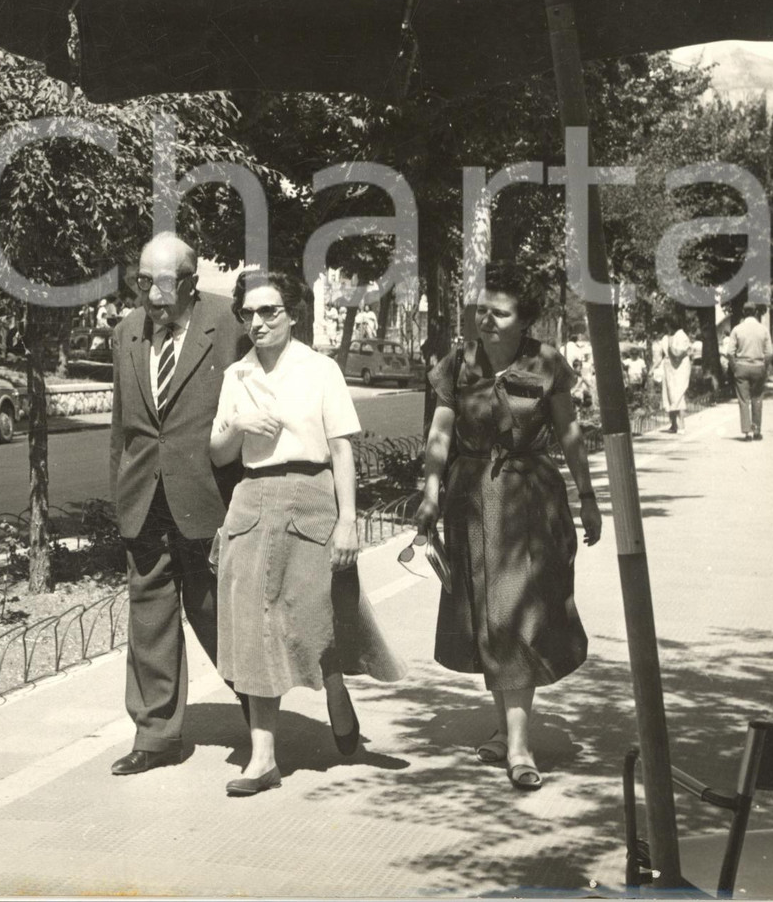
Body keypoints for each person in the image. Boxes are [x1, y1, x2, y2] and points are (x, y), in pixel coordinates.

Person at [210, 269, 404, 797]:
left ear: (292, 314)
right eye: (248, 313)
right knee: (254, 625)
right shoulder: (237, 376)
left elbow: (341, 449)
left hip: (311, 498)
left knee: (315, 614)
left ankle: (333, 685)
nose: (257, 322)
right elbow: (219, 454)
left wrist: (348, 520)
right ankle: (263, 760)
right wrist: (238, 427)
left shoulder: (321, 370)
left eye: (268, 311)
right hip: (253, 499)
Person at [415, 262, 602, 792]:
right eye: (482, 311)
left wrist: (588, 498)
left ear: (524, 320)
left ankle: (518, 744)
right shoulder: (458, 364)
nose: (486, 320)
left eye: (498, 313)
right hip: (470, 500)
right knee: (487, 613)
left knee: (516, 613)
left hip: (528, 501)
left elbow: (569, 434)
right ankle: (505, 729)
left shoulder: (546, 362)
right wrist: (430, 495)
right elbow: (440, 434)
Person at [107, 230, 245, 776]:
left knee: (218, 615)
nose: (152, 295)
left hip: (211, 500)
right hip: (145, 500)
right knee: (150, 620)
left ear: (190, 282)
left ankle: (259, 706)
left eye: (163, 283)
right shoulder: (127, 332)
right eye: (143, 282)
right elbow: (122, 428)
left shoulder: (231, 323)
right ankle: (156, 734)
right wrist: (120, 499)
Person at [725, 304, 772, 441]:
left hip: (742, 366)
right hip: (758, 366)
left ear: (743, 312)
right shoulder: (763, 330)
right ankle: (756, 430)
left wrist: (735, 367)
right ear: (756, 312)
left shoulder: (737, 329)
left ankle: (747, 432)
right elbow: (769, 353)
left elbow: (730, 352)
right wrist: (765, 367)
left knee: (743, 400)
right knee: (757, 398)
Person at [659, 325, 692, 434]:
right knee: (669, 395)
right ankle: (674, 424)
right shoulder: (666, 337)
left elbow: (678, 354)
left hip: (680, 368)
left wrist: (669, 344)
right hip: (669, 368)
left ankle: (681, 425)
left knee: (678, 395)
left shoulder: (681, 336)